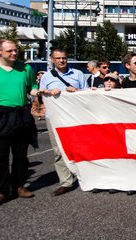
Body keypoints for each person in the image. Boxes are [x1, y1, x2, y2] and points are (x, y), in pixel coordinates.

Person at [0, 39, 39, 208]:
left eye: (16, 50)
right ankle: (1, 192)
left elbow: (31, 85)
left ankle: (19, 186)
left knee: (20, 156)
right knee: (0, 158)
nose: (14, 53)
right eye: (10, 51)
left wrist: (36, 91)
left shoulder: (25, 68)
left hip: (20, 115)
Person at [39, 47, 89, 197]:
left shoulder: (78, 74)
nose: (61, 61)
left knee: (80, 149)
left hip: (75, 118)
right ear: (52, 60)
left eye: (64, 58)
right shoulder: (47, 77)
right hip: (54, 118)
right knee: (58, 151)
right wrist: (48, 91)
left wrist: (77, 91)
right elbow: (41, 94)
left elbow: (87, 94)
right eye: (58, 58)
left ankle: (85, 177)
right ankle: (66, 182)